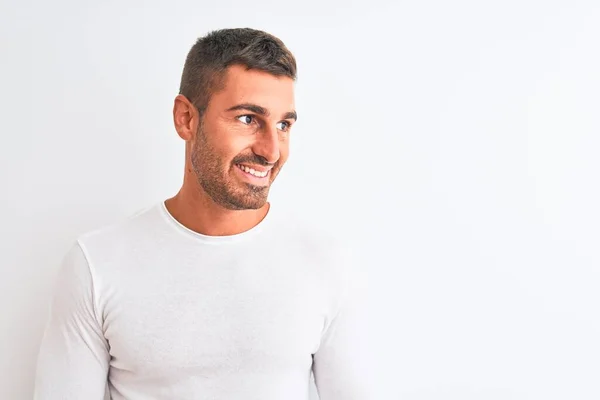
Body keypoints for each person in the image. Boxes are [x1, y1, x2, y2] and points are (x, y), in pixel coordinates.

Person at [34, 27, 377, 400]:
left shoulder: (327, 263)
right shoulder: (96, 264)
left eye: (283, 124)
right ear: (186, 119)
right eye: (248, 119)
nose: (271, 150)